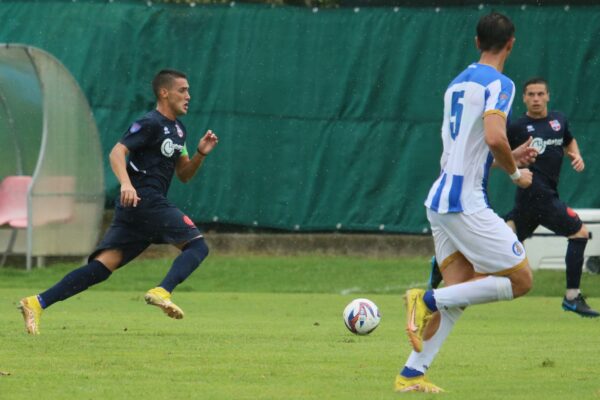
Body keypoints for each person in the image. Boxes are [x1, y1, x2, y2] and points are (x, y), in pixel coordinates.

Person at [395, 12, 534, 393]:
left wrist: (509, 154)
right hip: (464, 203)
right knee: (521, 280)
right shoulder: (501, 84)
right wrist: (515, 173)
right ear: (511, 43)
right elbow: (493, 137)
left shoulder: (455, 84)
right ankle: (423, 298)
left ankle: (411, 374)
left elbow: (469, 148)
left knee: (459, 289)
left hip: (440, 199)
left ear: (476, 42)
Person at [18, 69, 219, 335]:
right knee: (197, 246)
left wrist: (200, 155)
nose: (188, 96)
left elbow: (183, 174)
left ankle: (36, 303)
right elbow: (117, 151)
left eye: (189, 91)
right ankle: (162, 291)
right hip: (145, 199)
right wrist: (126, 182)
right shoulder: (149, 123)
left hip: (137, 208)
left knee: (101, 268)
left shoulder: (180, 131)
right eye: (183, 90)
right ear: (164, 92)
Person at [429, 78, 598, 318]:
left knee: (490, 248)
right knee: (579, 232)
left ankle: (440, 266)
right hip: (538, 196)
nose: (536, 99)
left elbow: (569, 141)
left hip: (530, 203)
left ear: (548, 96)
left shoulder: (559, 121)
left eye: (540, 94)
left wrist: (576, 156)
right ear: (524, 98)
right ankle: (572, 296)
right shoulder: (517, 126)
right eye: (531, 94)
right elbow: (490, 150)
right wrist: (511, 169)